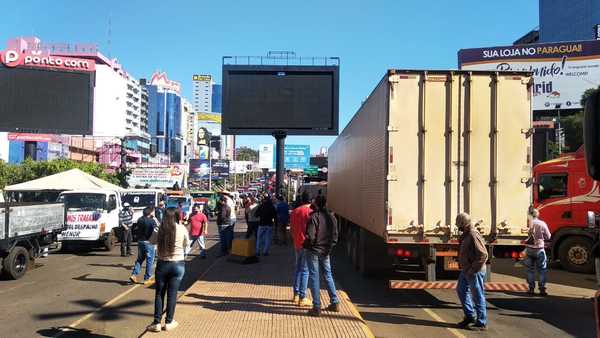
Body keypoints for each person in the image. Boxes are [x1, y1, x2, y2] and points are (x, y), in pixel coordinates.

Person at [147, 208, 189, 333]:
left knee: (159, 293)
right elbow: (187, 244)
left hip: (162, 264)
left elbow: (151, 241)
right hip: (178, 264)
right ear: (177, 216)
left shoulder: (159, 228)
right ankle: (169, 321)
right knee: (172, 294)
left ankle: (156, 323)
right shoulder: (182, 228)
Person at [304, 195, 339, 317]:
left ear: (316, 204)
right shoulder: (332, 217)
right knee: (328, 274)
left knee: (314, 276)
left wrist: (307, 245)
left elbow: (310, 236)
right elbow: (335, 237)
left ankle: (317, 307)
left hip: (314, 250)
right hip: (326, 251)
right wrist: (329, 247)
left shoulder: (314, 217)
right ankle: (334, 302)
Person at [455, 212, 488, 331]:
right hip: (467, 270)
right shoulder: (466, 235)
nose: (458, 228)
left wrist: (472, 269)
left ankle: (481, 322)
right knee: (461, 290)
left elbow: (483, 255)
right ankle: (470, 316)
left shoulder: (473, 235)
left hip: (474, 271)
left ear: (464, 224)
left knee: (477, 295)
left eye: (459, 225)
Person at [289, 192, 312, 307]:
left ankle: (296, 294)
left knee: (298, 269)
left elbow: (291, 229)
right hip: (307, 245)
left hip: (297, 243)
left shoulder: (294, 212)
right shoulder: (310, 213)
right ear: (310, 201)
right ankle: (303, 297)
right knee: (305, 270)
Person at [524, 208, 551, 296]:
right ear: (537, 215)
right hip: (539, 249)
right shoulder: (542, 223)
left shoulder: (527, 223)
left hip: (529, 249)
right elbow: (548, 236)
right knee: (542, 270)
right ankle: (542, 289)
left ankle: (531, 289)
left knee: (530, 270)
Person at [130, 207, 157, 285]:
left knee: (140, 259)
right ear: (150, 213)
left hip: (140, 241)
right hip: (149, 242)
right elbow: (156, 230)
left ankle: (134, 274)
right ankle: (147, 278)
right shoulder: (152, 221)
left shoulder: (140, 219)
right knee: (150, 261)